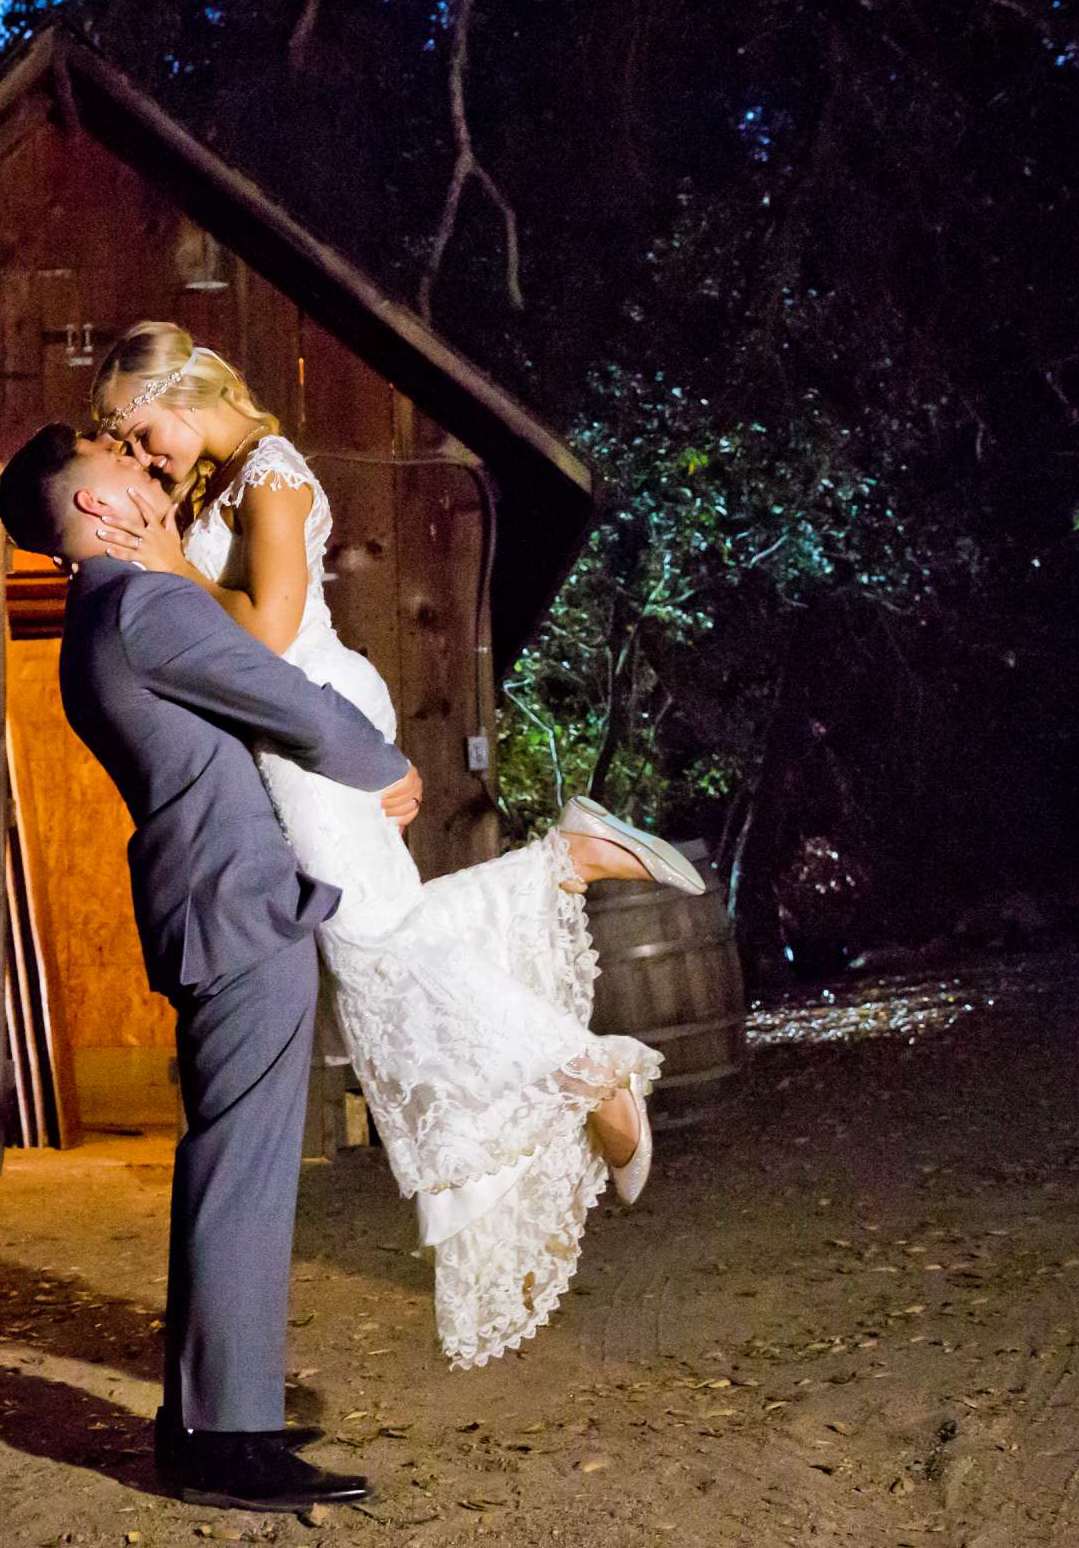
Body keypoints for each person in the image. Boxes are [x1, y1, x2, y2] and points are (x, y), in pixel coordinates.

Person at [82, 320, 707, 1370]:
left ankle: (590, 1065)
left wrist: (170, 569)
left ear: (184, 392)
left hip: (310, 722)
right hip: (302, 730)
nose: (147, 459)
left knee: (377, 954)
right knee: (390, 937)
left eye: (145, 434)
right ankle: (567, 864)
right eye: (130, 450)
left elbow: (273, 633)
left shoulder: (272, 472)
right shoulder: (225, 487)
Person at [0, 422, 419, 1512]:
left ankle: (207, 1422)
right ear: (96, 509)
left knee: (235, 1165)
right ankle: (224, 1438)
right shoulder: (145, 606)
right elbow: (282, 697)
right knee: (243, 1172)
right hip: (236, 906)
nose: (148, 466)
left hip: (211, 903)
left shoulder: (101, 620)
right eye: (122, 460)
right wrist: (384, 765)